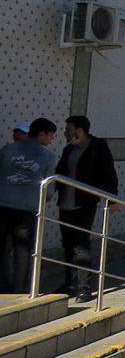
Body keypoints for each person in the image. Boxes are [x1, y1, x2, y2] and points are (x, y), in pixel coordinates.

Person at [55, 115, 118, 302]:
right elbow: (60, 172)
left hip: (84, 203)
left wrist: (111, 198)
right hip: (66, 203)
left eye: (68, 129)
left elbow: (108, 172)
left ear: (79, 131)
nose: (65, 133)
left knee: (81, 245)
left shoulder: (97, 148)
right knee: (67, 244)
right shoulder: (69, 149)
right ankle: (70, 283)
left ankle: (84, 287)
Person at [0, 118, 57, 293]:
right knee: (22, 253)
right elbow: (48, 190)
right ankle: (19, 290)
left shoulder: (7, 150)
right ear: (42, 134)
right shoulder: (48, 157)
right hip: (27, 210)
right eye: (50, 135)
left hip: (2, 206)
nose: (51, 139)